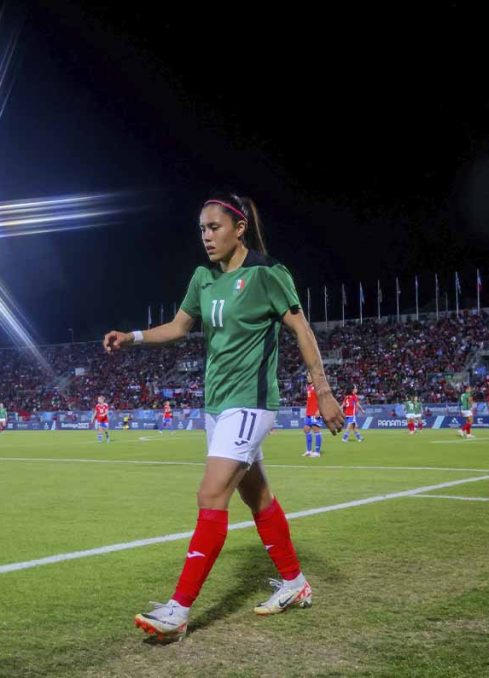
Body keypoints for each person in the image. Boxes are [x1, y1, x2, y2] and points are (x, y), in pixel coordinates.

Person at [103, 192, 344, 641]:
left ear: (239, 228)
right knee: (258, 498)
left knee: (211, 493)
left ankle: (177, 610)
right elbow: (178, 327)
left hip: (251, 403)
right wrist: (132, 336)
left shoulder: (268, 273)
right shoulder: (203, 278)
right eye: (201, 229)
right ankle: (295, 584)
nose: (206, 236)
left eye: (214, 227)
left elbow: (302, 329)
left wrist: (324, 392)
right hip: (216, 406)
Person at [302, 376, 323, 456]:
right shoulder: (309, 387)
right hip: (309, 413)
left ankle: (317, 452)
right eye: (307, 376)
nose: (307, 377)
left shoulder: (317, 386)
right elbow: (309, 400)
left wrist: (319, 410)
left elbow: (321, 399)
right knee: (306, 429)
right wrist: (306, 411)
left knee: (316, 430)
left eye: (309, 375)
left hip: (315, 412)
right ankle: (309, 451)